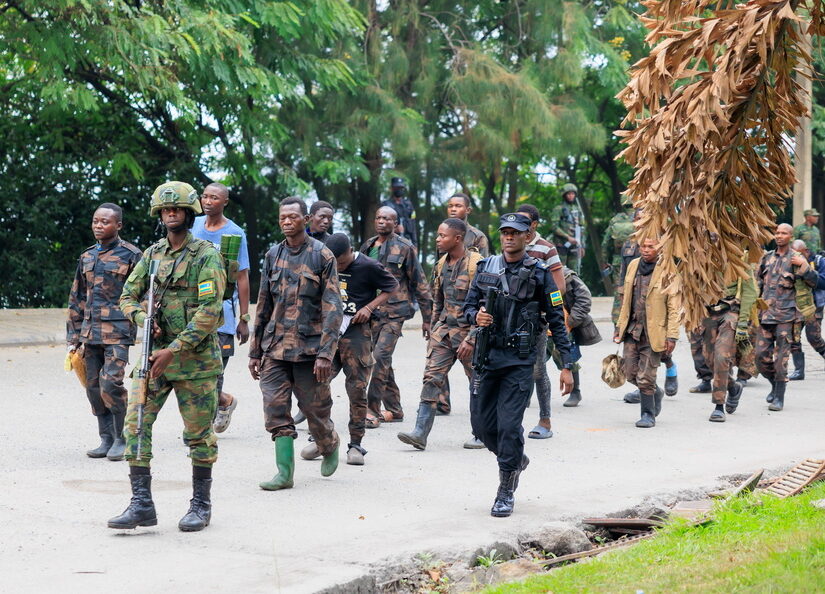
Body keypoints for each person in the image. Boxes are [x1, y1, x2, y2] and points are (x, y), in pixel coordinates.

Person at [111, 182, 226, 532]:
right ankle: (141, 504)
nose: (171, 213)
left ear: (189, 213)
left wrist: (173, 349)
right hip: (152, 359)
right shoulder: (153, 254)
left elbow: (210, 312)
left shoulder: (206, 255)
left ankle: (200, 505)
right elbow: (127, 295)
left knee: (198, 435)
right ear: (159, 214)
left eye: (177, 209)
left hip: (195, 363)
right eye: (165, 209)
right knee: (136, 425)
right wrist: (141, 319)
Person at [464, 213, 574, 518]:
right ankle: (515, 460)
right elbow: (468, 306)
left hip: (520, 360)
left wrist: (567, 364)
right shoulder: (486, 268)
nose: (510, 237)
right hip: (488, 358)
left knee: (510, 426)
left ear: (527, 237)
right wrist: (476, 316)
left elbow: (556, 318)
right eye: (505, 232)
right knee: (483, 427)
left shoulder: (540, 274)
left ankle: (505, 490)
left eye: (516, 232)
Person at [249, 197, 343, 490]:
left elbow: (333, 307)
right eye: (282, 218)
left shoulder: (322, 256)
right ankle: (284, 473)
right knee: (275, 409)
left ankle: (329, 444)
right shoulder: (272, 255)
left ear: (305, 219)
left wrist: (326, 354)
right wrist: (255, 351)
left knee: (315, 411)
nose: (287, 222)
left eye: (293, 217)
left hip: (310, 350)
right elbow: (263, 303)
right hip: (275, 349)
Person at [300, 233, 398, 465]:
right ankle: (322, 439)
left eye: (341, 262)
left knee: (356, 389)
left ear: (350, 251)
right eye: (335, 262)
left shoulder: (368, 266)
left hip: (356, 333)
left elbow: (392, 286)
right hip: (329, 333)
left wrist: (370, 307)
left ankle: (356, 444)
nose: (338, 266)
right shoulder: (325, 262)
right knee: (316, 385)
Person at [397, 218, 482, 450]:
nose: (437, 239)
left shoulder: (477, 264)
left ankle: (481, 433)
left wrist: (472, 338)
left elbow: (486, 307)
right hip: (444, 334)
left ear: (457, 238)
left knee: (477, 384)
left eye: (442, 235)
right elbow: (438, 302)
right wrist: (434, 331)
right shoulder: (441, 264)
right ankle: (420, 433)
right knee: (431, 379)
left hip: (469, 335)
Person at [67, 203, 142, 461]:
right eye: (96, 221)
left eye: (105, 222)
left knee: (111, 384)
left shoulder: (132, 255)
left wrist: (144, 320)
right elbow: (77, 297)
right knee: (92, 387)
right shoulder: (87, 256)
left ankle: (123, 437)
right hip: (90, 333)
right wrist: (73, 337)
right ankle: (106, 438)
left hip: (119, 332)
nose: (99, 226)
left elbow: (142, 295)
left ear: (118, 225)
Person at [359, 206, 433, 426]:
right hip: (371, 313)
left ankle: (372, 410)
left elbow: (420, 284)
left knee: (380, 357)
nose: (382, 222)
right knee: (383, 361)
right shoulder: (368, 246)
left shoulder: (405, 248)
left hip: (394, 313)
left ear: (396, 223)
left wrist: (427, 319)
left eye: (388, 219)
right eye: (379, 217)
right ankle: (395, 409)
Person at [192, 182, 250, 433]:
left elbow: (243, 277)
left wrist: (244, 317)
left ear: (224, 202)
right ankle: (224, 401)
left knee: (215, 370)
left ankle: (201, 427)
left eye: (214, 198)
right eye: (204, 196)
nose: (207, 201)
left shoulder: (235, 233)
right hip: (191, 311)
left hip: (222, 313)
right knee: (193, 370)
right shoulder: (192, 226)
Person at [614, 237, 680, 428]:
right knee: (629, 372)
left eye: (651, 246)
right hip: (632, 329)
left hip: (654, 331)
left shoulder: (668, 269)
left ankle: (647, 414)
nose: (646, 249)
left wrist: (672, 335)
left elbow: (674, 305)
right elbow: (626, 299)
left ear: (660, 248)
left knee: (646, 376)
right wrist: (619, 326)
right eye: (643, 246)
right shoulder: (633, 265)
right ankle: (655, 392)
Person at [515, 204, 565, 440]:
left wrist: (547, 311)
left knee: (537, 369)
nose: (517, 228)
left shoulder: (546, 249)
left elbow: (558, 287)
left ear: (534, 225)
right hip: (510, 320)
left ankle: (545, 420)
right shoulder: (511, 243)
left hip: (536, 321)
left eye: (524, 222)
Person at [755, 224, 817, 411]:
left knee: (781, 359)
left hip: (786, 317)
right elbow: (757, 286)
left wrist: (804, 268)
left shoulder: (796, 258)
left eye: (784, 233)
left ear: (790, 236)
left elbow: (814, 281)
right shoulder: (766, 258)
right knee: (760, 358)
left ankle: (779, 397)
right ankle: (774, 384)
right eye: (777, 233)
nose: (779, 236)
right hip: (766, 317)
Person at [699, 250, 758, 422]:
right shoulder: (702, 253)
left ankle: (719, 406)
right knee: (709, 359)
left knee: (721, 357)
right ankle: (733, 387)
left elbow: (749, 292)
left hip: (730, 312)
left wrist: (742, 323)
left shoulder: (740, 256)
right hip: (710, 313)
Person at [788, 239, 825, 379]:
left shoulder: (820, 261)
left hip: (814, 306)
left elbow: (822, 282)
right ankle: (799, 371)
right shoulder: (789, 262)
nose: (795, 255)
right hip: (795, 306)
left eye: (798, 253)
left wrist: (805, 268)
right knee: (793, 338)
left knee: (813, 337)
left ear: (806, 251)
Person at [601, 205, 635, 324]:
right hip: (638, 260)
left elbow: (605, 243)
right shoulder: (641, 217)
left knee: (618, 291)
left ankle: (617, 322)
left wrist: (605, 261)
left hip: (618, 261)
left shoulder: (615, 220)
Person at [549, 183, 584, 271]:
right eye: (569, 194)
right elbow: (554, 227)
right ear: (564, 195)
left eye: (573, 194)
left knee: (575, 272)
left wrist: (582, 245)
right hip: (562, 245)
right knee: (560, 271)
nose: (571, 196)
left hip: (575, 246)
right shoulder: (558, 209)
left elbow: (581, 228)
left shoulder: (578, 209)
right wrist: (567, 237)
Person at [381, 177, 418, 246]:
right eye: (397, 188)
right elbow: (381, 226)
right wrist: (394, 229)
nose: (399, 190)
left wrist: (415, 245)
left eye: (401, 188)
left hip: (406, 242)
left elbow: (413, 226)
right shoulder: (386, 205)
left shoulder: (408, 205)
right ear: (392, 188)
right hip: (390, 242)